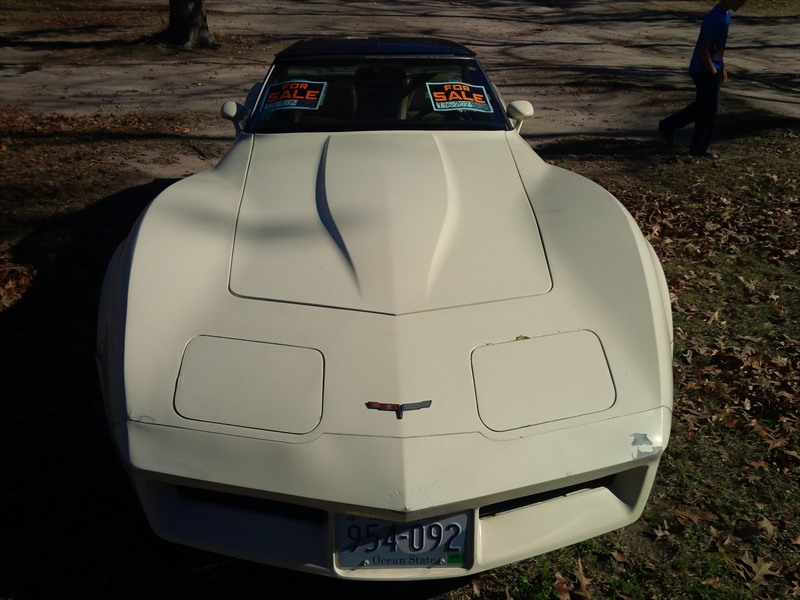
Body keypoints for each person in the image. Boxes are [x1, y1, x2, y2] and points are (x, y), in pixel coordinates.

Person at [659, 0, 747, 158]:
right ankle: (698, 148)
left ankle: (669, 126)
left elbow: (717, 46)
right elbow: (703, 49)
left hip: (712, 68)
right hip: (703, 70)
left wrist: (722, 66)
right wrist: (713, 72)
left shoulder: (725, 14)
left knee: (703, 107)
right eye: (741, 0)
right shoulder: (716, 18)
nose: (743, 4)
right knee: (708, 111)